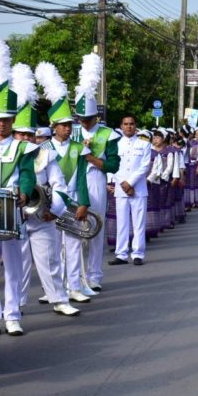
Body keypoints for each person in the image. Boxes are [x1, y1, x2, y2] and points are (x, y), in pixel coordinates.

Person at [11, 63, 80, 317]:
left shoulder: (45, 154)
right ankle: (14, 305)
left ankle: (59, 299)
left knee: (50, 260)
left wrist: (57, 210)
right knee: (17, 266)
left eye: (30, 135)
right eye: (21, 135)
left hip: (42, 216)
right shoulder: (4, 154)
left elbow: (60, 186)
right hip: (15, 218)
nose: (26, 139)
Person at [0, 44, 37, 336]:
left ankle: (12, 314)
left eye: (6, 119)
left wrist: (24, 193)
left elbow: (27, 175)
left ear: (13, 120)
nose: (1, 124)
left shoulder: (21, 146)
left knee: (14, 266)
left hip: (12, 212)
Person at [71, 54, 120, 291]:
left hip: (96, 181)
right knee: (74, 231)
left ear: (96, 117)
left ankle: (94, 275)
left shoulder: (107, 134)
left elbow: (113, 166)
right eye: (82, 119)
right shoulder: (70, 133)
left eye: (89, 119)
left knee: (95, 227)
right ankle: (76, 276)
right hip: (73, 182)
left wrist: (90, 157)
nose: (85, 123)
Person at [51, 114, 93, 302]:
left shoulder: (79, 149)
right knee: (53, 247)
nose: (67, 128)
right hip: (51, 202)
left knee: (74, 245)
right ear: (54, 127)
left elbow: (83, 178)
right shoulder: (44, 148)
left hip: (74, 200)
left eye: (69, 125)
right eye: (63, 125)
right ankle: (54, 288)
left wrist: (84, 203)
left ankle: (74, 287)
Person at [110, 115, 149, 266]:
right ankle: (121, 254)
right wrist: (124, 184)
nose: (129, 126)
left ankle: (138, 253)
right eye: (125, 124)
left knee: (139, 222)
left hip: (138, 188)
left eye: (131, 124)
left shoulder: (144, 145)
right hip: (121, 189)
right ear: (121, 126)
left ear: (136, 126)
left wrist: (131, 183)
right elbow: (113, 166)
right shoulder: (115, 145)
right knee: (122, 222)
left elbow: (144, 166)